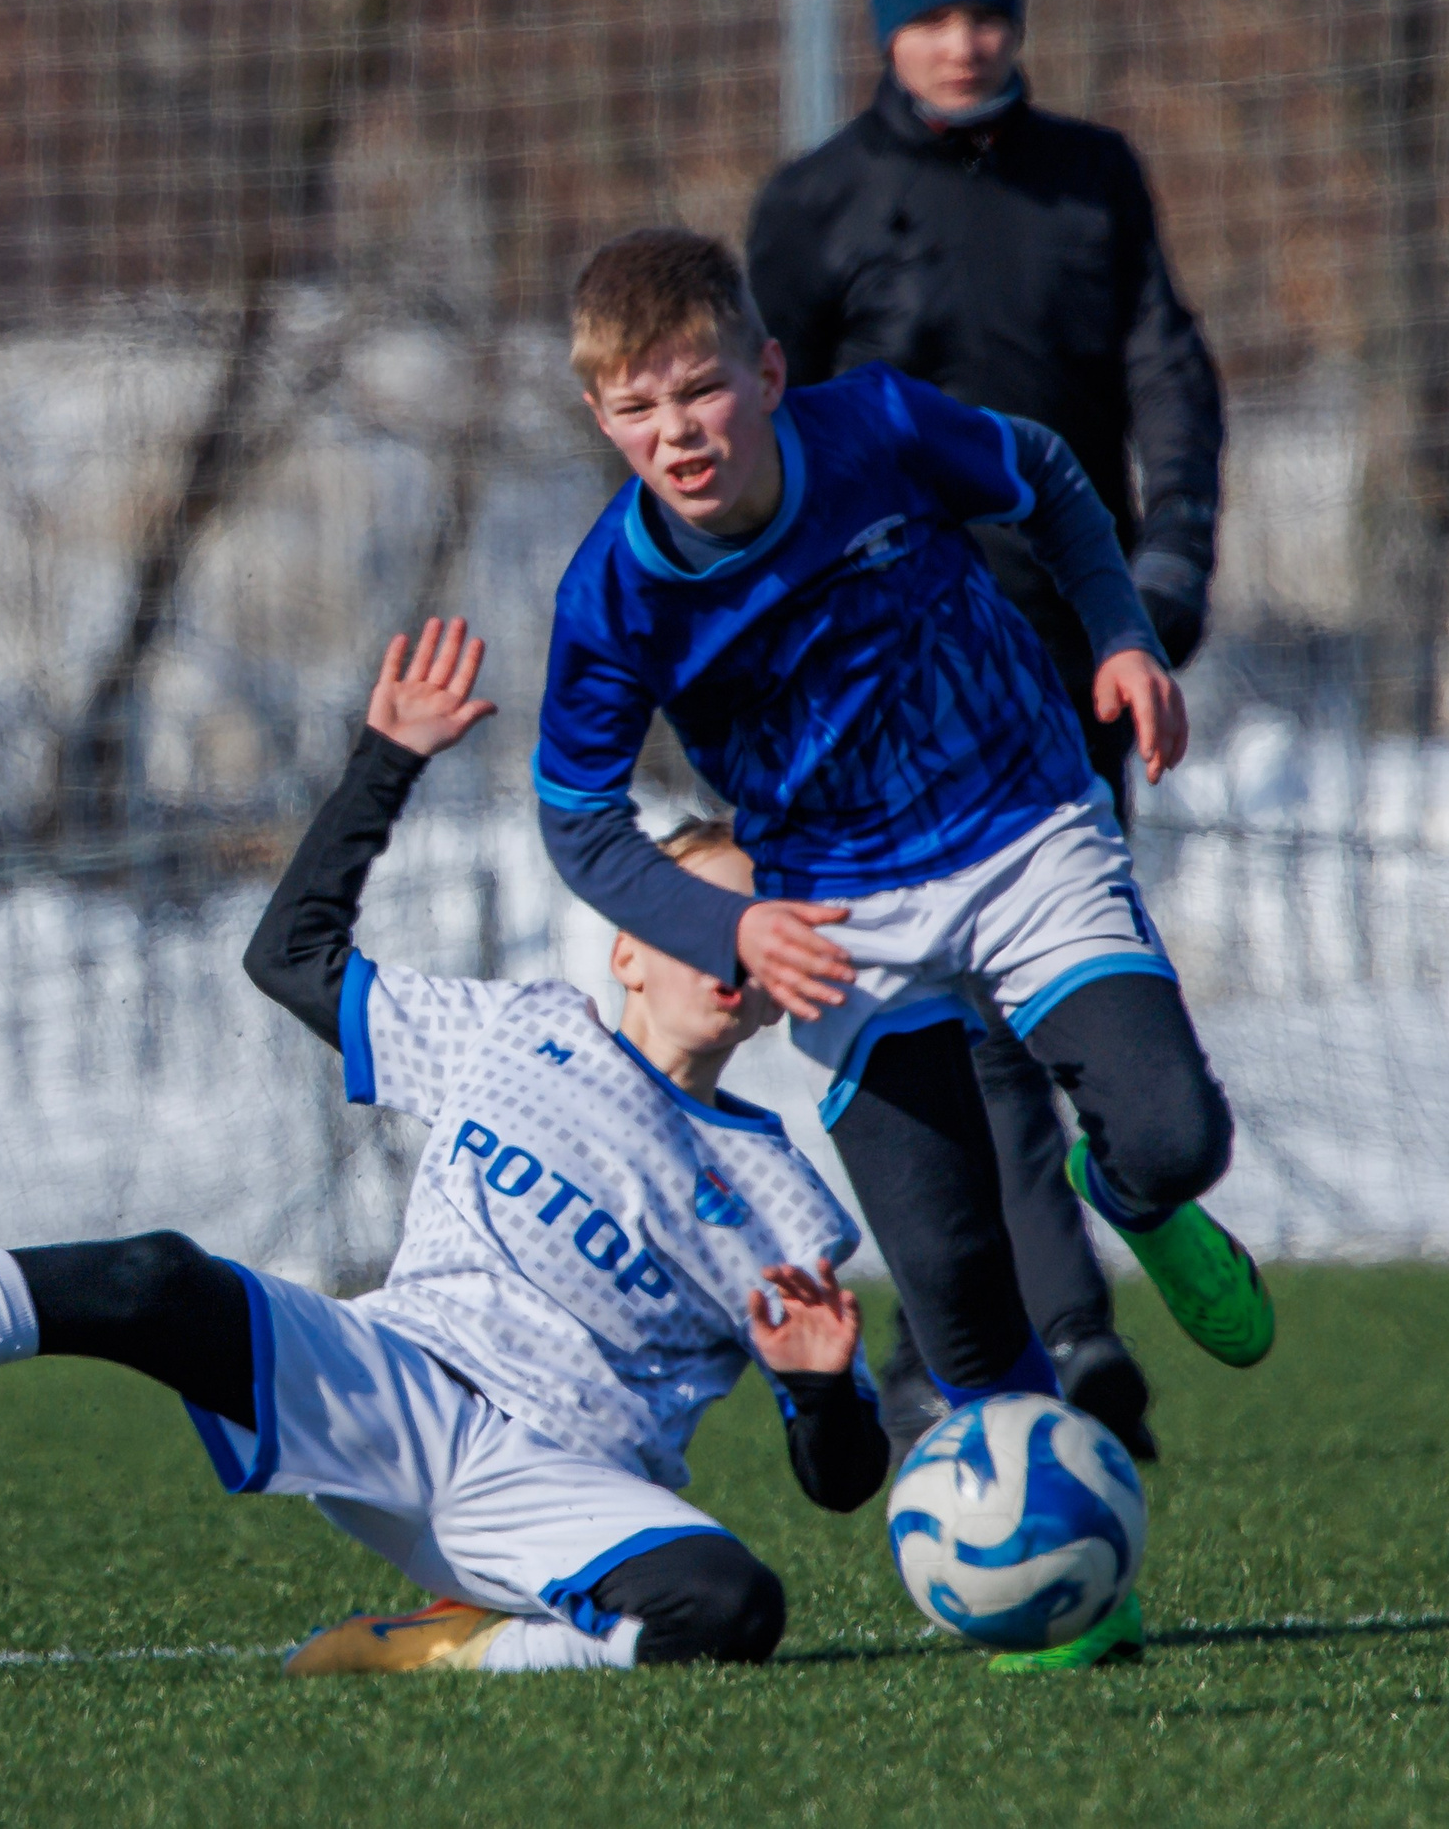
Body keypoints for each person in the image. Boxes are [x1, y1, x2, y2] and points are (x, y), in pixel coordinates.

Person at [0, 618, 887, 1678]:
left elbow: (838, 1483)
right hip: (391, 1379)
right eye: (695, 913)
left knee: (732, 1606)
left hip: (558, 1487)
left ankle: (454, 1648)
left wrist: (823, 1387)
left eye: (748, 927)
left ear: (779, 976)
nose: (723, 944)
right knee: (150, 1281)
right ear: (624, 938)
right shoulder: (516, 1030)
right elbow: (287, 959)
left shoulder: (781, 1198)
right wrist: (384, 762)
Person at [534, 229, 1267, 1665]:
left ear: (768, 368)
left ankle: (1130, 1189)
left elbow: (1048, 476)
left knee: (1177, 1139)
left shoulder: (870, 428)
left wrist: (1119, 633)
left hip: (1019, 823)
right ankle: (1058, 1590)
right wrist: (728, 921)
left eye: (702, 391)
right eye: (637, 409)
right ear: (599, 417)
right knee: (952, 1292)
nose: (677, 434)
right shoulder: (611, 597)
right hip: (839, 920)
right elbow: (581, 826)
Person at [746, 0, 1231, 1456]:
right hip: (886, 705)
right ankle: (1062, 1335)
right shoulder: (813, 207)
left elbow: (1169, 377)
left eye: (985, 13)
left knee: (1050, 1014)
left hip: (1071, 670)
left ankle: (1006, 1318)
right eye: (931, 16)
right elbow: (759, 462)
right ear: (886, 26)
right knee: (952, 1037)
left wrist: (1153, 591)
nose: (962, 43)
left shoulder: (1093, 179)